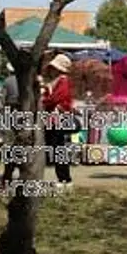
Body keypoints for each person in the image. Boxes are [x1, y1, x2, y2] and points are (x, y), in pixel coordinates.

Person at [41, 53, 75, 190]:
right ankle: (63, 178)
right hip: (54, 119)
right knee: (56, 149)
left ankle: (65, 178)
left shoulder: (64, 81)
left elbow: (56, 99)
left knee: (59, 149)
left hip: (59, 119)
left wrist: (43, 100)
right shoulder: (58, 81)